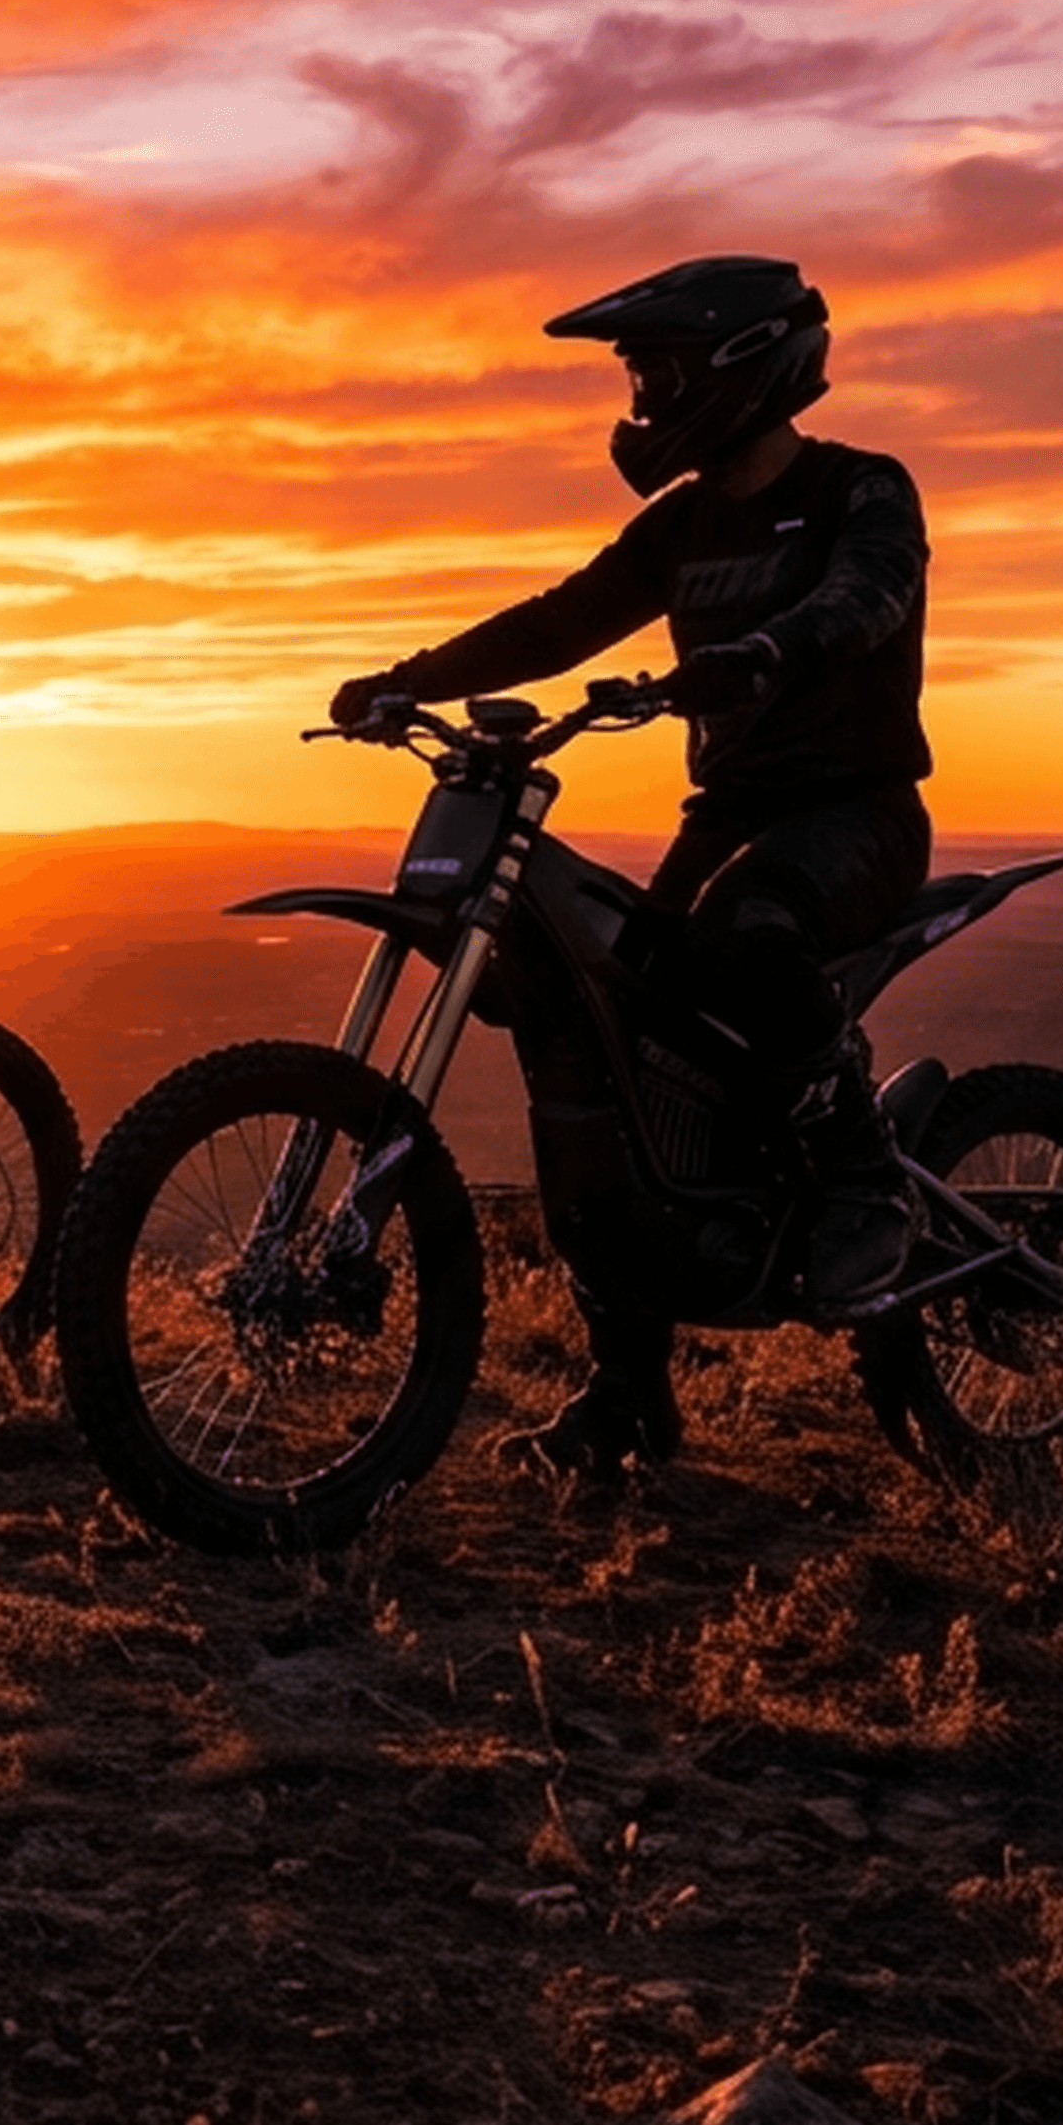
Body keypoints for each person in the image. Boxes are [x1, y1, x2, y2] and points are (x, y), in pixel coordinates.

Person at [328, 257, 931, 1482]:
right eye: (638, 377)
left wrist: (764, 648)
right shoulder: (680, 526)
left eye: (659, 372)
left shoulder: (860, 490)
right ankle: (630, 1396)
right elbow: (561, 620)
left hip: (852, 817)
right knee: (599, 1036)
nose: (644, 400)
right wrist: (410, 678)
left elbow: (869, 600)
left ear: (742, 369)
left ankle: (862, 1177)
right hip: (727, 818)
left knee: (751, 940)